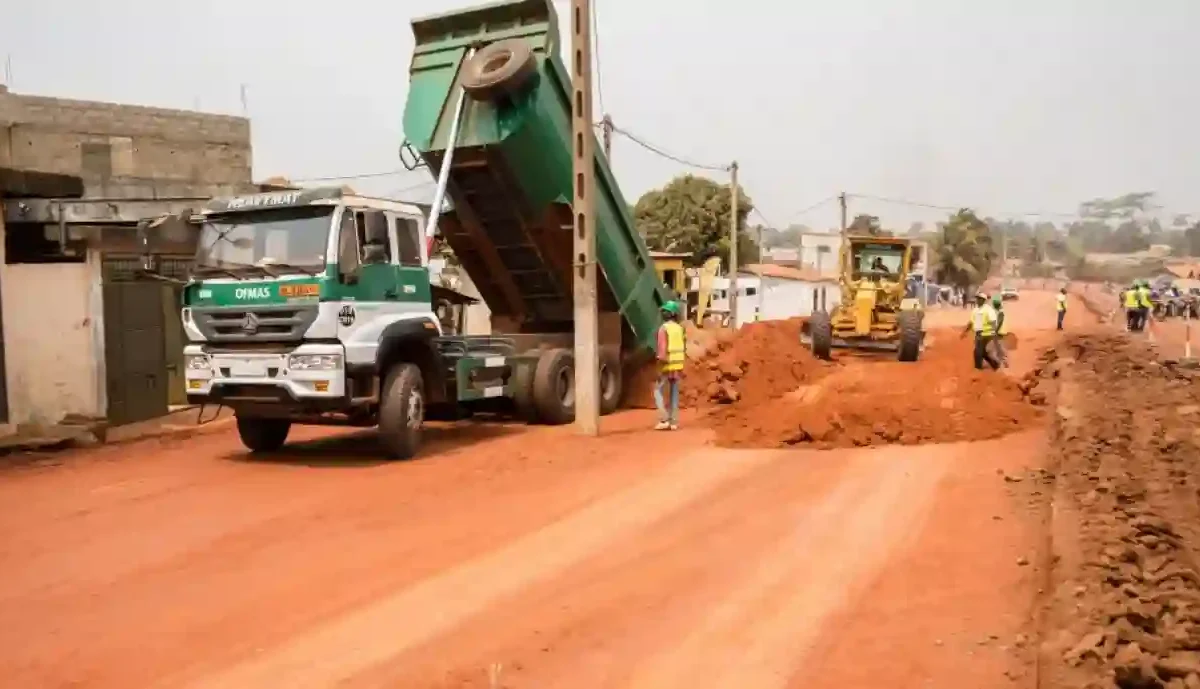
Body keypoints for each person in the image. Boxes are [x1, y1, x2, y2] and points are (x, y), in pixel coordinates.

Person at [654, 300, 686, 431]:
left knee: (657, 391)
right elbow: (683, 346)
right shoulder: (679, 328)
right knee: (674, 392)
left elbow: (662, 350)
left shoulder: (664, 329)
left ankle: (664, 419)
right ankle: (674, 422)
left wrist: (659, 366)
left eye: (665, 311)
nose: (663, 313)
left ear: (669, 314)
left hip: (667, 364)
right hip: (677, 365)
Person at [963, 293, 1001, 370]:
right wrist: (965, 331)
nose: (978, 300)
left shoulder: (988, 310)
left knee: (977, 352)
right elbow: (971, 322)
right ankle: (995, 364)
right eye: (977, 298)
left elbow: (993, 321)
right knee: (982, 352)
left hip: (987, 334)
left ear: (984, 300)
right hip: (979, 334)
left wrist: (994, 333)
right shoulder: (975, 310)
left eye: (980, 299)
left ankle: (978, 369)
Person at [991, 294, 1009, 367]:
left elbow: (1000, 321)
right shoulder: (999, 311)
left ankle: (1003, 361)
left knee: (998, 347)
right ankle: (1001, 362)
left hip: (998, 332)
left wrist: (996, 330)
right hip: (999, 332)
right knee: (997, 347)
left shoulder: (1000, 312)